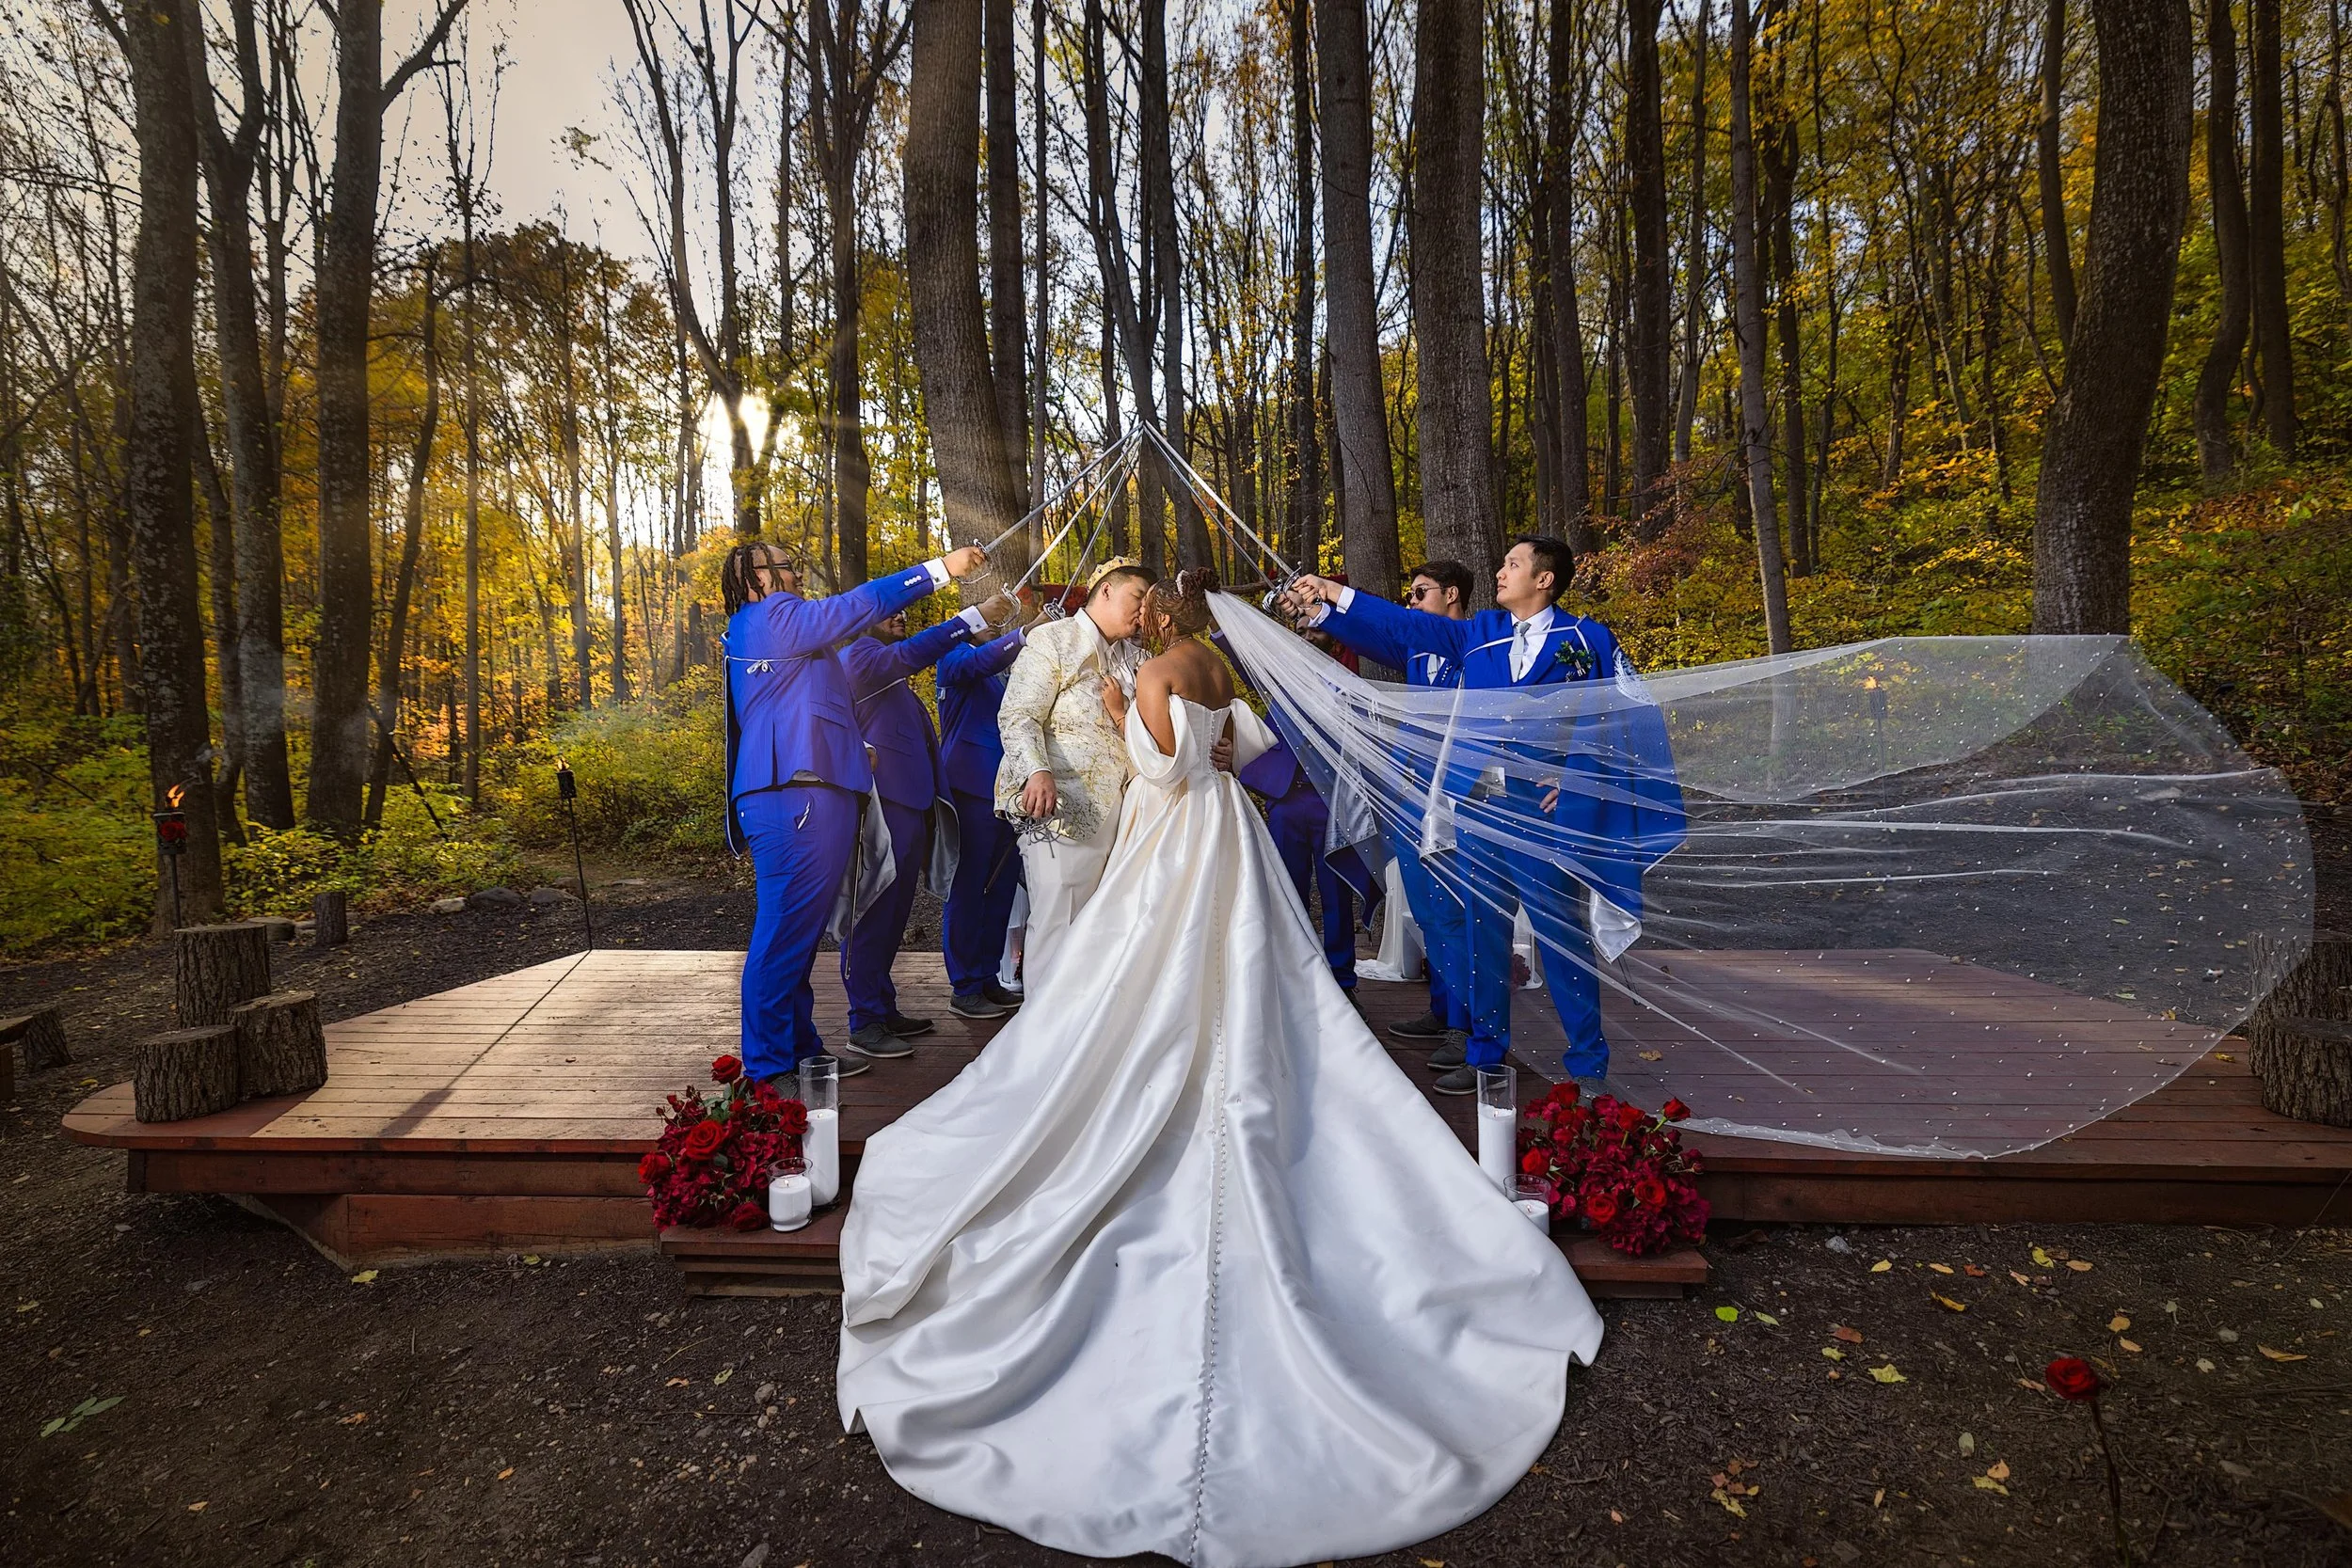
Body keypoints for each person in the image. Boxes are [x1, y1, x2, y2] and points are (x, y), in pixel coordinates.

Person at [838, 567, 1597, 1567]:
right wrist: (1197, 743)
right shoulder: (1218, 661)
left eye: (1140, 605)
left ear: (1152, 619)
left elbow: (1155, 772)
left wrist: (1121, 712)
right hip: (1228, 831)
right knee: (1255, 979)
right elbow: (1255, 748)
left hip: (1169, 836)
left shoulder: (1149, 671)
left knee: (1143, 978)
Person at [1285, 535, 1647, 1092]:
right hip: (1476, 811)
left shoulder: (1588, 640)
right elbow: (1407, 629)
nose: (1500, 572)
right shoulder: (1480, 635)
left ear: (1544, 579)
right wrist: (1335, 596)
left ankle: (1587, 1068)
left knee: (1561, 937)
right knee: (1483, 934)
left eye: (1513, 564)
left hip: (1539, 814)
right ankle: (1485, 1057)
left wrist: (1578, 779)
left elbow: (1625, 721)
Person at [723, 539, 989, 1086]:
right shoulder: (772, 614)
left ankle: (800, 1050)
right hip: (795, 793)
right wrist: (939, 570)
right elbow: (855, 606)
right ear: (756, 580)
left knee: (800, 931)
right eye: (786, 564)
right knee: (782, 933)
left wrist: (850, 748)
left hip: (807, 785)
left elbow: (800, 707)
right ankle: (769, 1069)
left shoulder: (778, 634)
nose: (796, 572)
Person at [838, 602, 1009, 1057]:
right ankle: (863, 1020)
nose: (901, 617)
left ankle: (881, 1007)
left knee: (893, 916)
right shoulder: (861, 656)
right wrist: (973, 617)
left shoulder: (890, 675)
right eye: (890, 611)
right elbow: (919, 651)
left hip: (912, 804)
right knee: (872, 913)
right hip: (882, 805)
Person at [992, 559, 1153, 986]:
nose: (1143, 611)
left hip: (1125, 818)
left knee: (1103, 935)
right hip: (1058, 811)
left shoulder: (1136, 657)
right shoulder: (1053, 640)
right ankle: (1042, 1039)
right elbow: (1019, 715)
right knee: (1058, 927)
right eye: (1137, 597)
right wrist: (1036, 772)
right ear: (1105, 590)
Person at [1380, 560, 1473, 1049]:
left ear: (1451, 594)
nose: (1411, 603)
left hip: (1454, 801)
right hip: (1410, 796)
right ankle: (1441, 1008)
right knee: (1425, 910)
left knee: (1452, 912)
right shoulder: (1418, 653)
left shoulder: (1476, 650)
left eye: (1420, 593)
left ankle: (1465, 1024)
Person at [934, 597, 1034, 1021]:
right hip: (971, 787)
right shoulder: (952, 660)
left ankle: (988, 976)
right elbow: (977, 663)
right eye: (986, 622)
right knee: (969, 886)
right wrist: (1022, 636)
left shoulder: (998, 676)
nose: (996, 627)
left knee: (1001, 887)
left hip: (1007, 791)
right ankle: (964, 985)